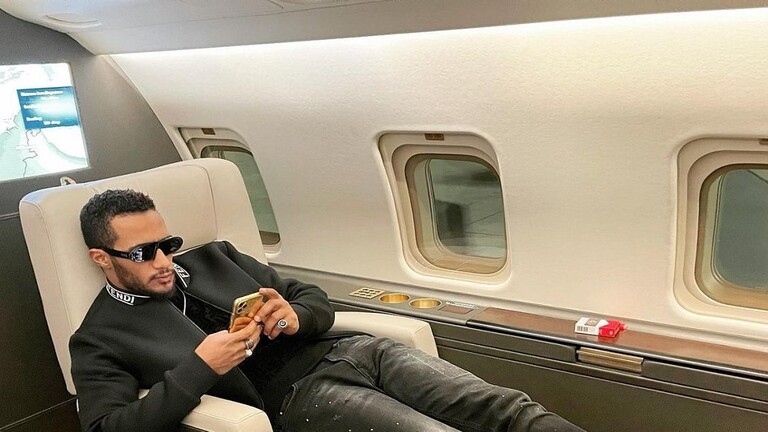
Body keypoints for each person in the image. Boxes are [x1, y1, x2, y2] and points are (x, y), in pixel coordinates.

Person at [72, 188, 587, 432]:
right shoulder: (102, 336)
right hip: (299, 397)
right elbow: (105, 429)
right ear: (102, 258)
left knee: (508, 408)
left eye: (168, 244)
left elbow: (312, 296)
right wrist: (199, 367)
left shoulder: (215, 257)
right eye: (143, 253)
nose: (164, 261)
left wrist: (296, 316)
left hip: (357, 353)